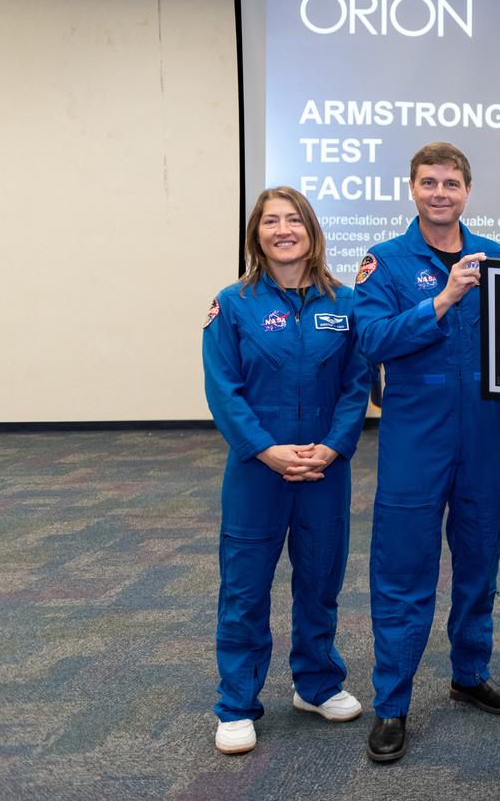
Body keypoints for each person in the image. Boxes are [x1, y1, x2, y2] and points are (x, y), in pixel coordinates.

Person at [354, 142, 500, 763]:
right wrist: (441, 300)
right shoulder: (386, 263)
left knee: (480, 559)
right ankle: (392, 705)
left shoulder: (495, 257)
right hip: (415, 440)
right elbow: (371, 339)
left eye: (452, 183)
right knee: (403, 572)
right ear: (413, 189)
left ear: (467, 191)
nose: (441, 193)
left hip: (483, 436)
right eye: (430, 183)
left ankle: (470, 674)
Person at [202, 186, 371, 755]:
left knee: (320, 580)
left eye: (293, 220)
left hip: (325, 467)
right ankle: (237, 703)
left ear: (312, 231)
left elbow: (356, 386)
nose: (283, 230)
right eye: (270, 221)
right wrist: (266, 449)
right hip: (257, 470)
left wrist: (334, 445)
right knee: (245, 587)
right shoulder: (233, 304)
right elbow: (223, 390)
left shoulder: (344, 304)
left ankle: (317, 683)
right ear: (257, 234)